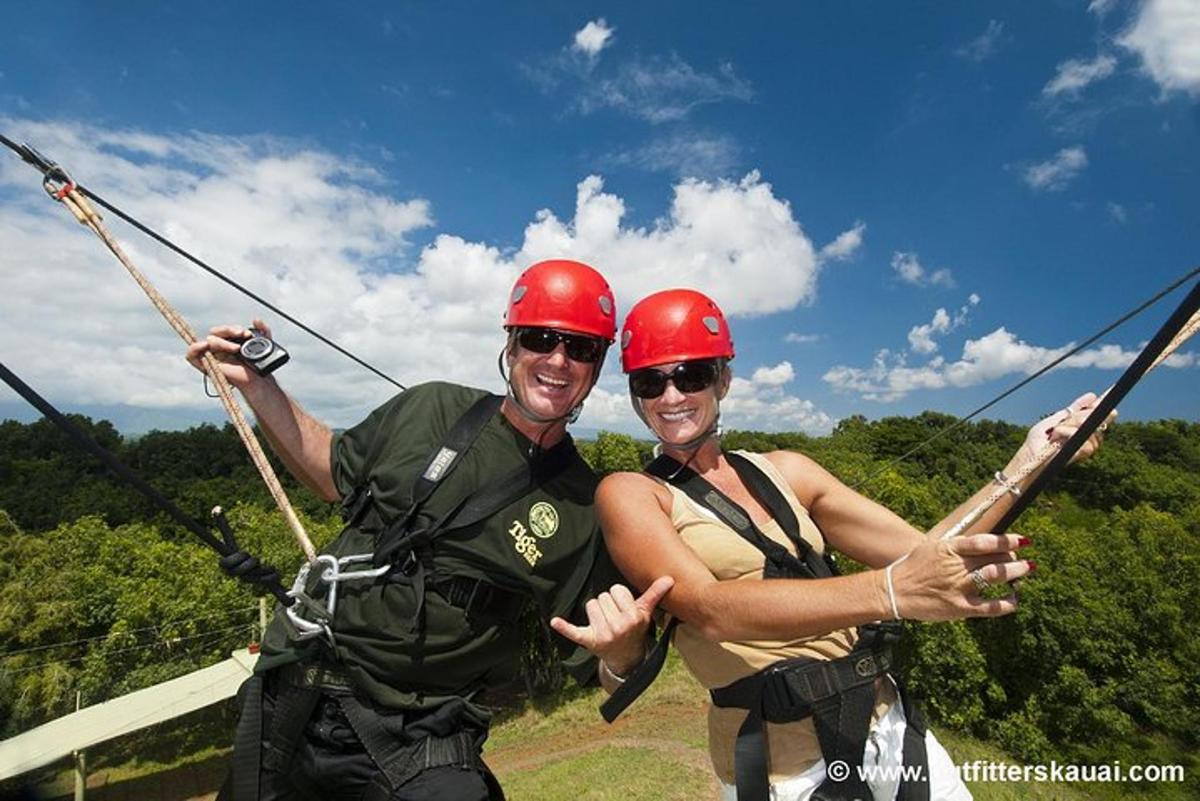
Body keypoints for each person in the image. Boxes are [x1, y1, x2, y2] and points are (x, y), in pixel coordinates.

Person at [555, 288, 1112, 801]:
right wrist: (892, 591)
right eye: (650, 382)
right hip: (785, 765)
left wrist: (1031, 460)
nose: (671, 395)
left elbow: (928, 555)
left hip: (889, 727)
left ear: (723, 379)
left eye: (690, 375)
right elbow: (709, 608)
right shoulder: (633, 493)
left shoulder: (788, 470)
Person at [186, 259, 664, 801]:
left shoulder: (582, 507)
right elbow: (329, 470)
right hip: (292, 693)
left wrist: (625, 654)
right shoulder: (431, 407)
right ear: (511, 345)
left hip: (415, 737)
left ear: (597, 367)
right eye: (541, 338)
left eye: (581, 348)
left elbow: (603, 662)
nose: (558, 359)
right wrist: (257, 384)